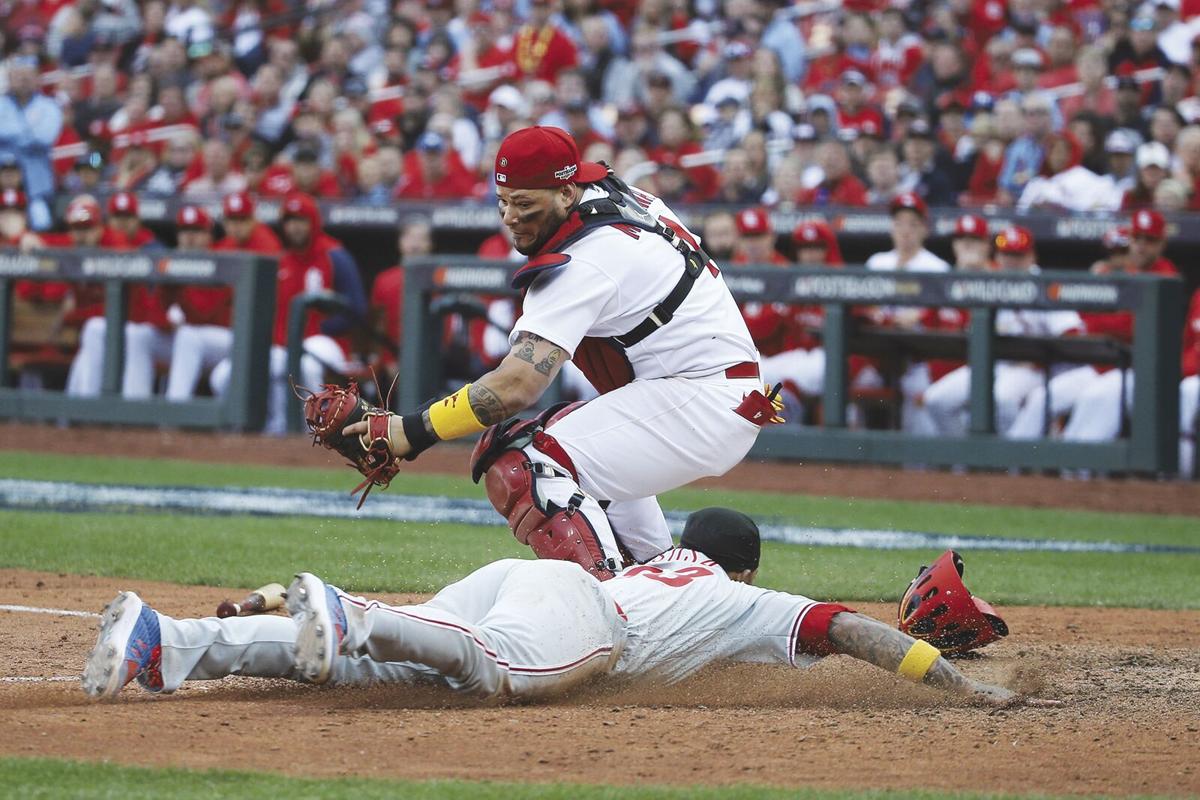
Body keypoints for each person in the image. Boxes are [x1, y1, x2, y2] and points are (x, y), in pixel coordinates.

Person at [342, 126, 775, 581]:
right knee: (574, 458)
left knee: (528, 462)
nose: (509, 216)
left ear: (566, 193)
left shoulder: (586, 259)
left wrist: (411, 431)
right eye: (503, 201)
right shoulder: (613, 193)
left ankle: (618, 605)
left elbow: (514, 387)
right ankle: (673, 591)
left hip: (698, 399)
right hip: (700, 388)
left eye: (525, 203)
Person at [82, 507, 1038, 708]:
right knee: (491, 667)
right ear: (744, 570)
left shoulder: (654, 567)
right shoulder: (748, 601)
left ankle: (165, 644)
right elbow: (848, 631)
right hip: (580, 616)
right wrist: (956, 681)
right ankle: (351, 611)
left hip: (526, 580)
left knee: (399, 661)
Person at [1007, 210, 1178, 442]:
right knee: (1042, 398)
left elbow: (1130, 327)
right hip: (1101, 366)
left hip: (1138, 369)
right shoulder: (1121, 274)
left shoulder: (1166, 277)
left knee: (1091, 404)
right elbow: (1086, 316)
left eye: (1150, 240)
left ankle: (1078, 472)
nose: (1141, 246)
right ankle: (1010, 465)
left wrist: (1099, 323)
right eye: (1137, 238)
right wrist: (1103, 322)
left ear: (1162, 243)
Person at [210, 191, 366, 434]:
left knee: (305, 365)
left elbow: (356, 308)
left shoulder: (335, 255)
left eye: (301, 220)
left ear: (313, 221)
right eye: (290, 221)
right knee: (225, 375)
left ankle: (313, 433)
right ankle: (251, 432)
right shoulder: (280, 260)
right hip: (284, 345)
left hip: (327, 343)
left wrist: (321, 327)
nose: (295, 227)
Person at [921, 226, 1082, 437]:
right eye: (1006, 255)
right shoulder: (990, 282)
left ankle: (1012, 465)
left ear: (1032, 257)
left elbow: (1072, 335)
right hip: (995, 364)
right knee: (936, 400)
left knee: (1002, 399)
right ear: (997, 256)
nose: (1011, 262)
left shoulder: (1046, 286)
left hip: (1034, 369)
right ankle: (967, 461)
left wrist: (1039, 360)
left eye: (1018, 255)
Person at [0, 56, 63, 230]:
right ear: (10, 78)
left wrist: (8, 135)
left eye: (28, 76)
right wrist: (28, 131)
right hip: (2, 181)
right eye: (19, 76)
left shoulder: (50, 107)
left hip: (37, 189)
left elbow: (45, 137)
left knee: (41, 223)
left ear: (37, 79)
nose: (23, 81)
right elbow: (34, 137)